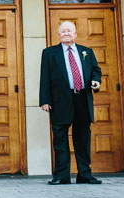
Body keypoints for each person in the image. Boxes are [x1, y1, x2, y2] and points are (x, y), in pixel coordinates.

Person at [39, 20, 102, 185]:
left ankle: (85, 175)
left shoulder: (86, 51)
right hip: (60, 101)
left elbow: (96, 70)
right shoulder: (49, 53)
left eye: (69, 31)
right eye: (63, 31)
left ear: (75, 34)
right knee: (60, 139)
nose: (66, 33)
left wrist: (96, 81)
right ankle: (61, 176)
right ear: (59, 35)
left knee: (82, 138)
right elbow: (44, 78)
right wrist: (45, 100)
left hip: (82, 98)